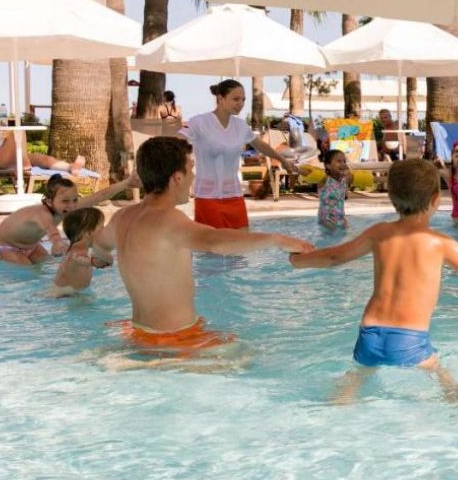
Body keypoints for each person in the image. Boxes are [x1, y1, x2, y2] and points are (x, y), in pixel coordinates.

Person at [289, 158, 458, 402]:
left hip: (369, 334)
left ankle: (342, 398)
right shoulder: (439, 243)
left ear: (391, 196)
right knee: (437, 369)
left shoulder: (379, 233)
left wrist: (299, 260)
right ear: (436, 199)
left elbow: (335, 257)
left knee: (360, 373)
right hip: (409, 338)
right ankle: (453, 391)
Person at [94, 137, 312, 352]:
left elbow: (100, 246)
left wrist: (102, 258)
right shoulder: (169, 220)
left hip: (139, 331)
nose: (194, 176)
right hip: (173, 339)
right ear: (177, 178)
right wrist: (276, 240)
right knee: (252, 355)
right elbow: (215, 241)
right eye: (191, 169)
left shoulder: (122, 217)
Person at [180, 79, 298, 230]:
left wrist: (283, 160)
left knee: (243, 241)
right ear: (220, 99)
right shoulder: (199, 122)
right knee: (215, 244)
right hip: (207, 198)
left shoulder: (241, 126)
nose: (241, 104)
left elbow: (261, 145)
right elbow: (178, 140)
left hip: (234, 196)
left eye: (243, 100)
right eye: (236, 99)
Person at [0, 174, 136, 265]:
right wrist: (57, 242)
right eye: (65, 201)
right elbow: (51, 229)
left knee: (46, 266)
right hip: (6, 246)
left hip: (31, 246)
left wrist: (126, 183)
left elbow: (99, 196)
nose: (72, 206)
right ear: (49, 201)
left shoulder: (65, 207)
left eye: (74, 200)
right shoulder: (42, 214)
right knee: (27, 273)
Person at [0, 130, 86, 175]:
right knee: (17, 131)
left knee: (43, 159)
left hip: (13, 159)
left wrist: (3, 147)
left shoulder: (2, 149)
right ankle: (24, 162)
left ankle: (70, 167)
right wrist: (1, 148)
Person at [50, 207, 105, 296]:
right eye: (102, 227)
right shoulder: (78, 253)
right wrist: (96, 262)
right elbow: (80, 260)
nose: (105, 231)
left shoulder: (73, 249)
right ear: (89, 233)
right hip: (63, 297)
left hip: (67, 295)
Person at [317, 149, 351, 231]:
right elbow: (307, 172)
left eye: (344, 161)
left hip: (341, 218)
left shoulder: (345, 179)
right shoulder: (324, 179)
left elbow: (351, 174)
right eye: (339, 161)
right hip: (326, 220)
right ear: (328, 165)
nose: (343, 164)